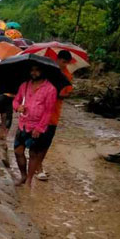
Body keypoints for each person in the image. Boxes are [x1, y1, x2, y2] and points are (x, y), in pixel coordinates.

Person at [13, 65, 57, 187]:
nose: (34, 72)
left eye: (37, 70)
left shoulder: (50, 89)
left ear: (43, 71)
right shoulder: (24, 85)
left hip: (37, 127)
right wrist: (18, 107)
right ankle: (23, 175)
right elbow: (16, 100)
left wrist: (39, 128)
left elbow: (48, 111)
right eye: (32, 70)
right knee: (18, 151)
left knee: (33, 154)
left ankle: (29, 180)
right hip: (23, 124)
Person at [36, 50, 74, 181]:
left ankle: (38, 165)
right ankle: (37, 167)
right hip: (39, 112)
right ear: (58, 59)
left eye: (67, 63)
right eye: (63, 62)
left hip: (53, 113)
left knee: (46, 142)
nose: (64, 65)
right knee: (38, 140)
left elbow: (66, 93)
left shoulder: (67, 75)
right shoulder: (47, 71)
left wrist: (56, 93)